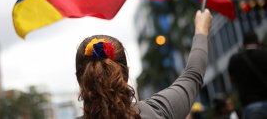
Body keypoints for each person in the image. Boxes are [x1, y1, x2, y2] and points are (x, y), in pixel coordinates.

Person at [75, 9, 212, 119]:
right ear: (126, 73)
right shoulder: (158, 111)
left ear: (80, 80)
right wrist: (201, 30)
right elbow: (193, 75)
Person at [228, 31, 267, 119]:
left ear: (243, 44)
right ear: (258, 42)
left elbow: (232, 80)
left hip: (250, 106)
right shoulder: (264, 54)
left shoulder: (235, 60)